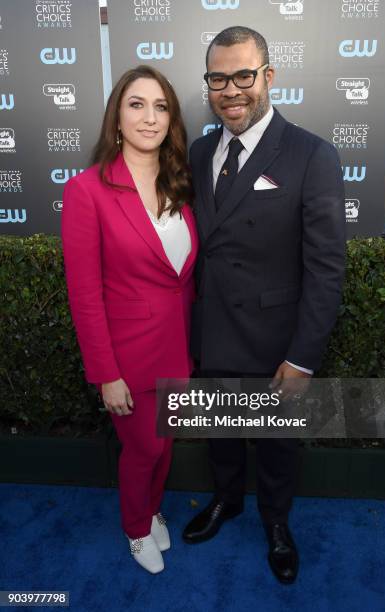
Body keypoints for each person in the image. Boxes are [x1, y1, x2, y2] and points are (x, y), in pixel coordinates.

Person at [182, 26, 346, 584]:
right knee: (222, 437)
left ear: (268, 77)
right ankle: (227, 501)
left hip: (276, 342)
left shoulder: (312, 155)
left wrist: (303, 359)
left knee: (277, 447)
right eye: (218, 78)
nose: (231, 90)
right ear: (208, 84)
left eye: (244, 76)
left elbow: (326, 269)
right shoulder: (200, 151)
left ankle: (277, 523)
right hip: (213, 334)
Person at [61, 65, 198, 574]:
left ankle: (153, 508)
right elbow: (84, 294)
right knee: (142, 448)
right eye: (137, 104)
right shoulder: (87, 190)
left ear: (171, 119)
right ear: (117, 117)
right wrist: (106, 373)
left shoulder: (179, 183)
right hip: (128, 356)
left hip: (178, 348)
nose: (150, 117)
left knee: (163, 448)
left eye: (161, 106)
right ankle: (136, 528)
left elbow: (180, 276)